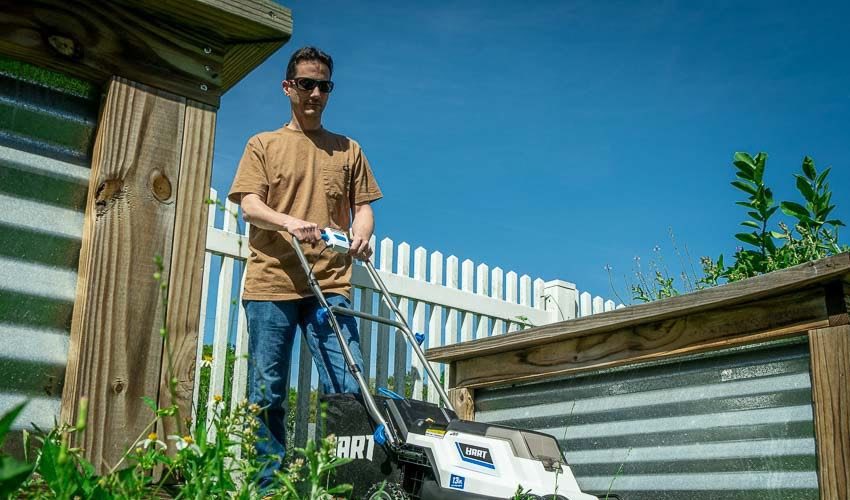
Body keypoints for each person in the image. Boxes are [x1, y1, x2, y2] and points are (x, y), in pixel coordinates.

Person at [227, 46, 383, 487]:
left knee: (347, 386)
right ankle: (268, 488)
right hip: (272, 281)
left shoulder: (348, 150)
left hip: (330, 283)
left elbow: (364, 207)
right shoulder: (263, 144)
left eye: (323, 86)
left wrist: (361, 233)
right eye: (306, 84)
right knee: (266, 390)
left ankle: (344, 486)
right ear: (288, 87)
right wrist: (289, 222)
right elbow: (250, 205)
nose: (315, 93)